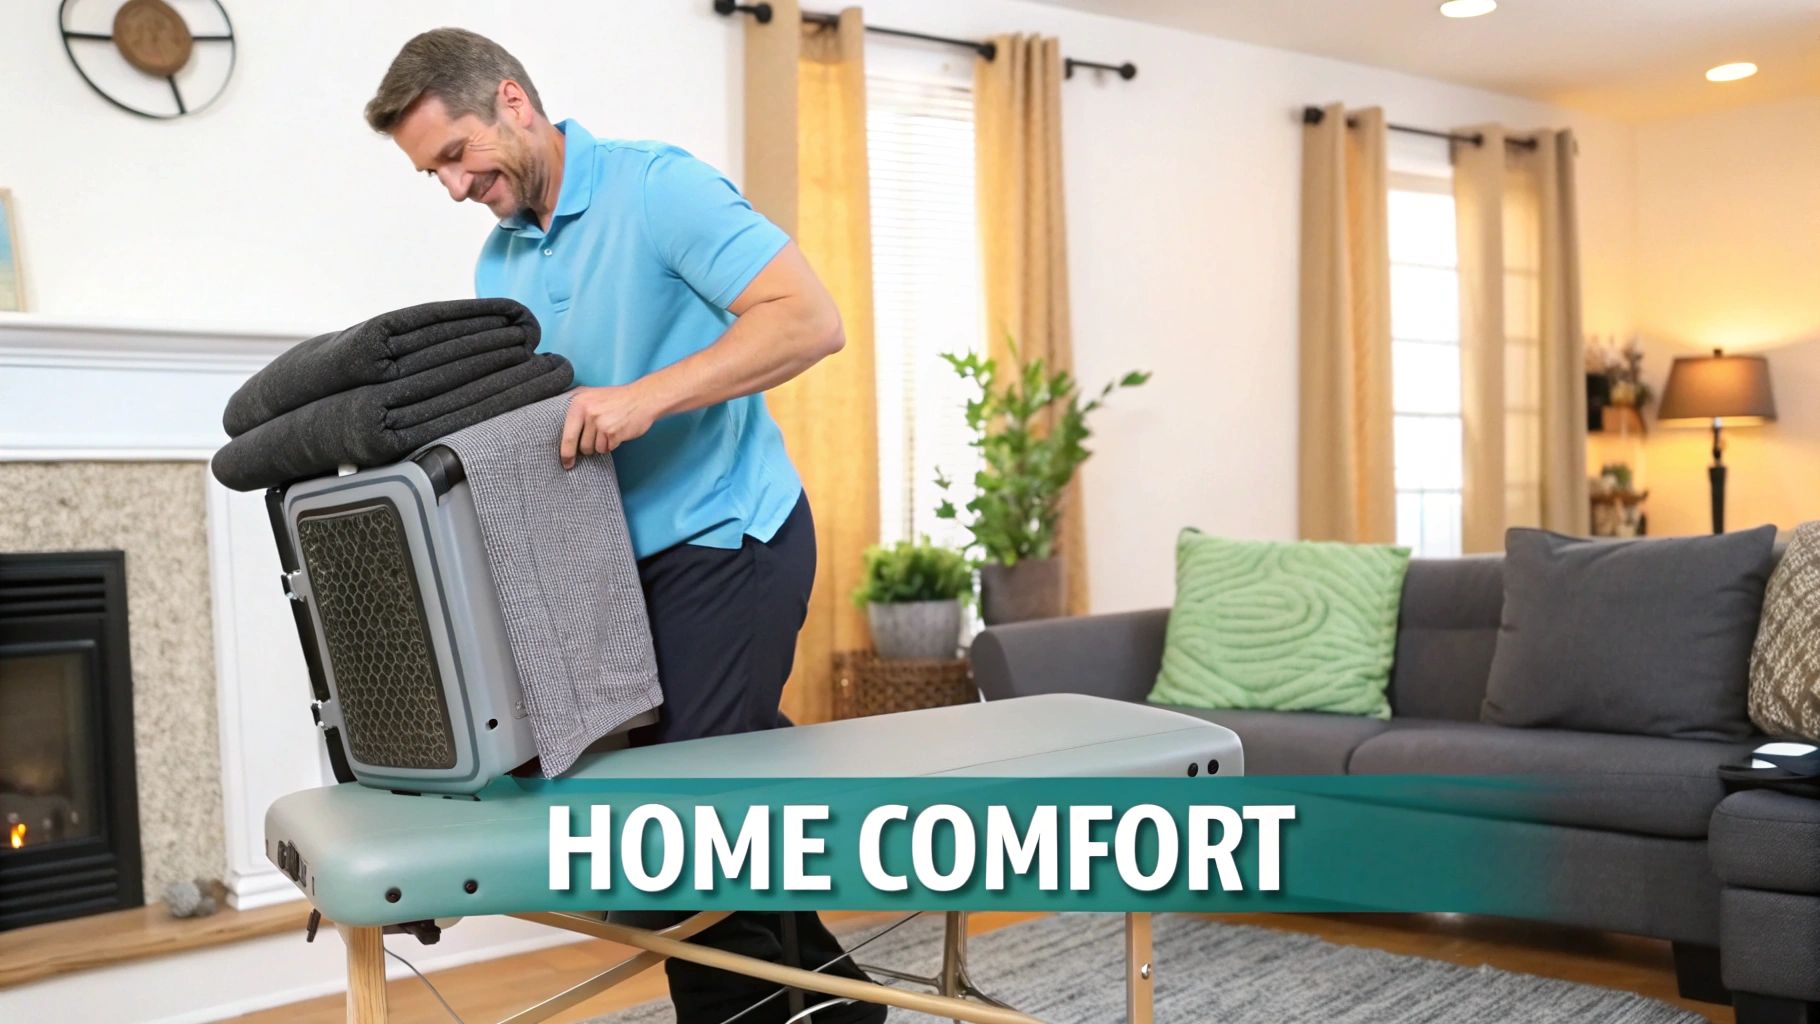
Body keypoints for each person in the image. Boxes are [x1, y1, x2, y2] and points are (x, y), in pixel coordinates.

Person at [364, 27, 886, 1024]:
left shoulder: (657, 189)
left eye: (452, 156)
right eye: (431, 171)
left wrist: (647, 396)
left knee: (673, 825)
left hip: (730, 534)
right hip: (609, 570)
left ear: (511, 102)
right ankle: (838, 1001)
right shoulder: (498, 264)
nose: (451, 185)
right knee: (696, 799)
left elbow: (806, 317)